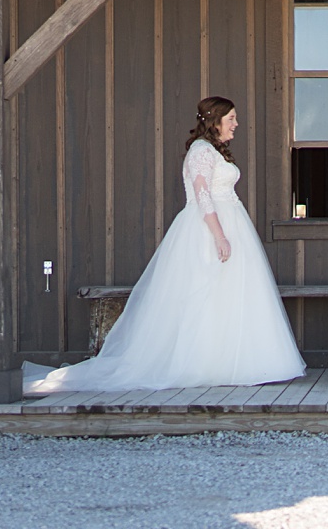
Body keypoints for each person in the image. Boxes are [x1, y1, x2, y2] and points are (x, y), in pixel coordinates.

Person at [24, 97, 305, 394]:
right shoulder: (201, 151)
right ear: (215, 120)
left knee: (231, 294)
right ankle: (202, 362)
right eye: (231, 118)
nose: (236, 124)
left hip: (230, 222)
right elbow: (201, 195)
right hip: (208, 229)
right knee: (204, 293)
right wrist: (219, 236)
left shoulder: (213, 151)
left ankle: (231, 359)